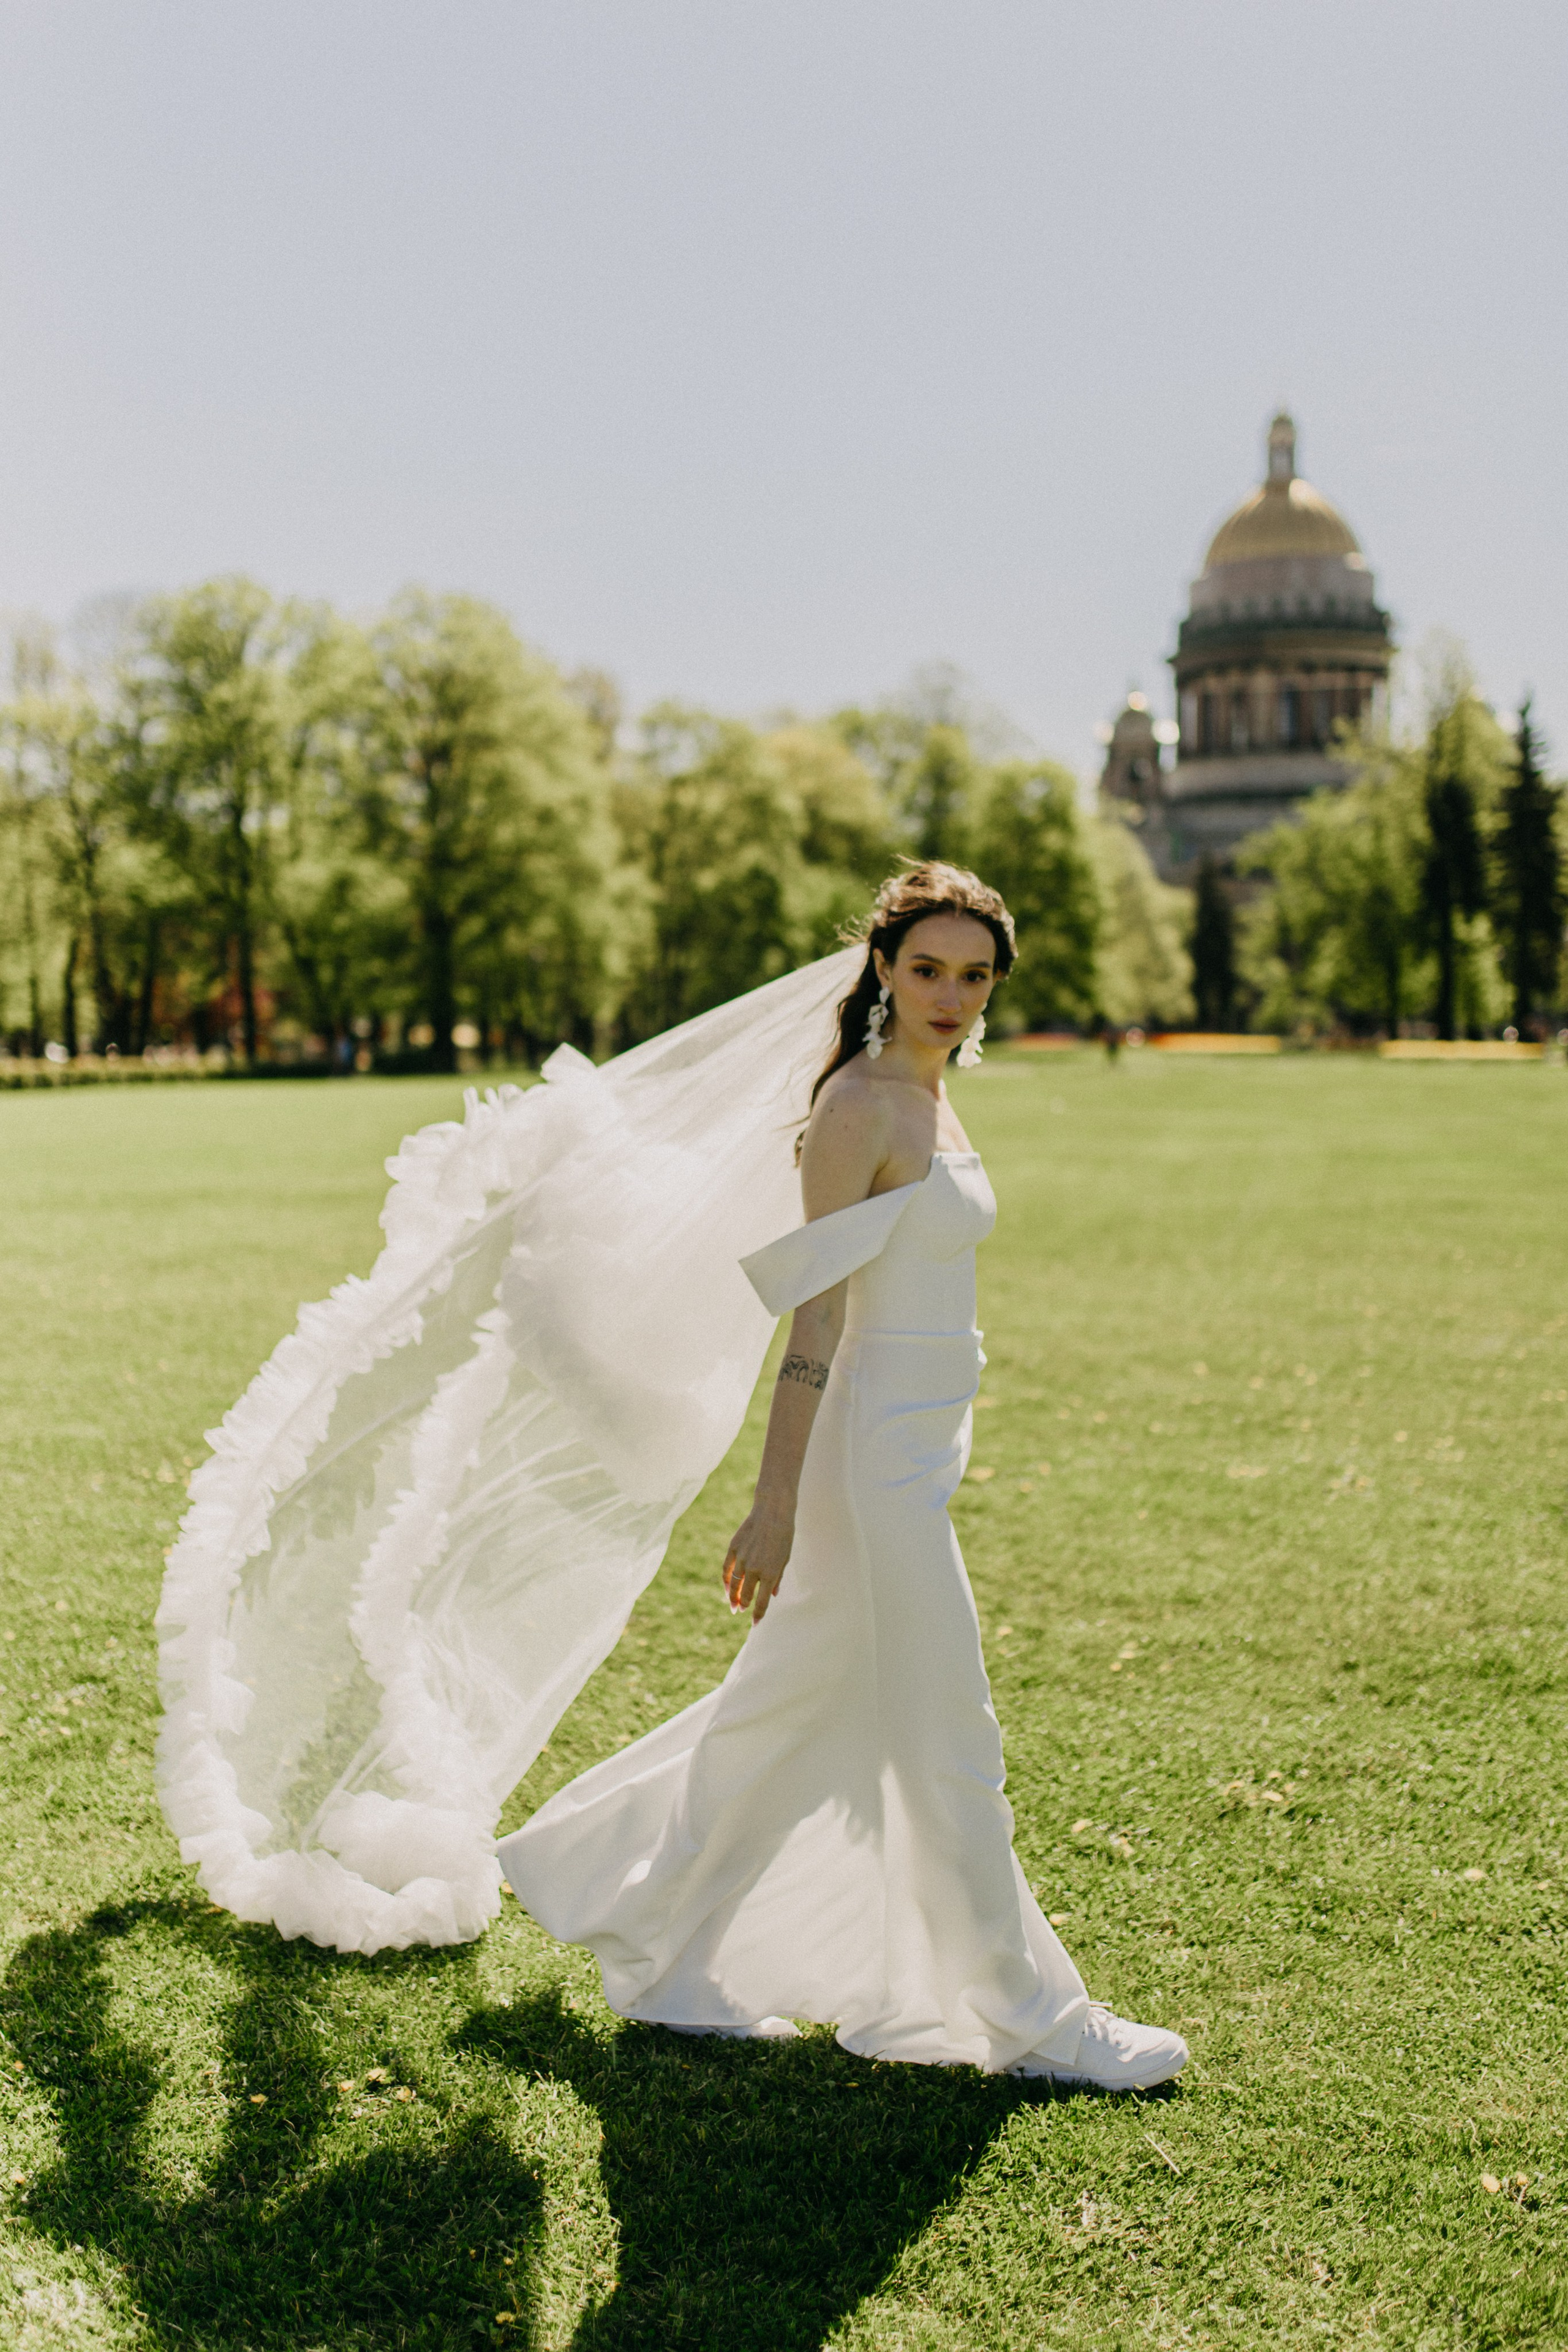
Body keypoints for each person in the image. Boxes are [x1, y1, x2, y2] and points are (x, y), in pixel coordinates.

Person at [497, 864, 1187, 2089]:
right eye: (926, 968)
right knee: (951, 1734)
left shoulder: (936, 1096)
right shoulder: (860, 1108)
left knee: (790, 1710)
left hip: (917, 1448)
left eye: (973, 976)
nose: (950, 995)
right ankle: (1032, 2019)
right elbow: (812, 1325)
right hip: (866, 1467)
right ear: (880, 968)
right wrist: (772, 1504)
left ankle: (652, 1945)